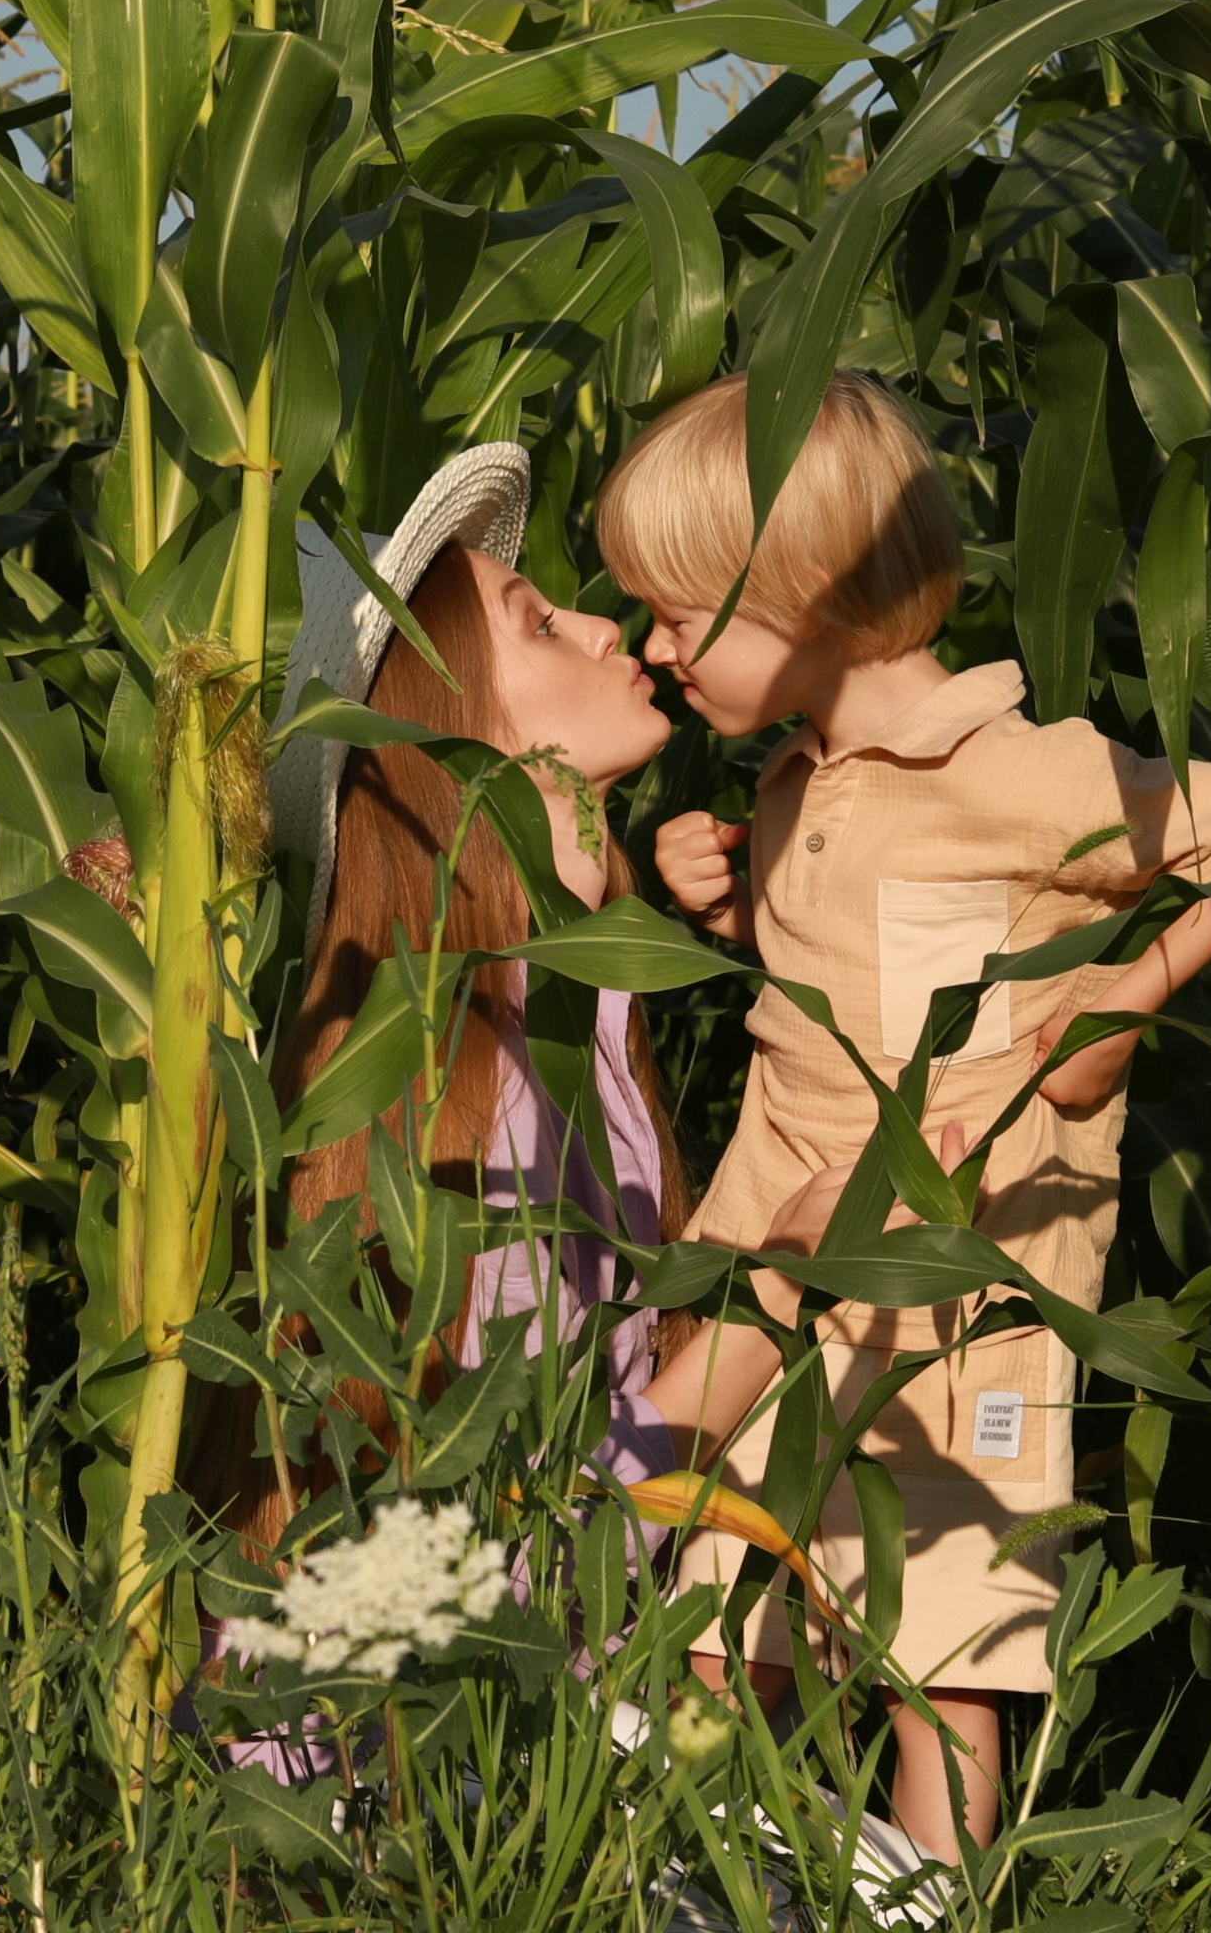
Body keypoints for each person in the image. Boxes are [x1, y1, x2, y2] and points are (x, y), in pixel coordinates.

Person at [596, 372, 1211, 1854]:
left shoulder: (1013, 773)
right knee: (720, 1605)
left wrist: (1123, 1004)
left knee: (935, 1654)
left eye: (676, 614)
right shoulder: (799, 777)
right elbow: (862, 981)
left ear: (806, 596)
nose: (651, 648)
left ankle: (930, 1899)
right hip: (779, 1259)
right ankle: (719, 1871)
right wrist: (718, 902)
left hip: (953, 1279)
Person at [186, 444, 850, 1581]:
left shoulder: (557, 1014)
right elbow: (540, 1533)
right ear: (447, 729)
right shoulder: (476, 1081)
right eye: (538, 624)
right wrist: (785, 1281)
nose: (600, 629)